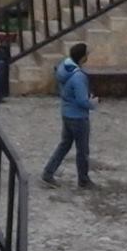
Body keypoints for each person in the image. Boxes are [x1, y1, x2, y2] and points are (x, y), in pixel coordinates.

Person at [41, 42, 97, 189]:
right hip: (78, 117)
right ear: (82, 57)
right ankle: (83, 180)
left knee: (64, 145)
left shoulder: (63, 68)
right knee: (82, 150)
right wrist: (92, 103)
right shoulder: (78, 77)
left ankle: (48, 172)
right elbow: (82, 100)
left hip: (66, 113)